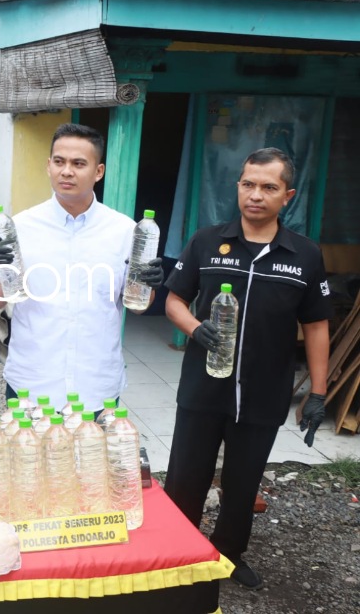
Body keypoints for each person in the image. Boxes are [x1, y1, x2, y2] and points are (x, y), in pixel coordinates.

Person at [163, 147, 331, 590]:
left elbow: (315, 325)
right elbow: (174, 298)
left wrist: (318, 392)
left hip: (263, 393)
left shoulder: (304, 256)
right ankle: (178, 556)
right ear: (238, 187)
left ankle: (228, 554)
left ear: (287, 195)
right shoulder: (206, 241)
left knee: (242, 484)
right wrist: (194, 328)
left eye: (268, 187)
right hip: (203, 389)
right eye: (248, 184)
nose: (256, 195)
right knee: (185, 477)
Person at [0, 123, 164, 414]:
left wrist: (151, 285)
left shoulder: (125, 232)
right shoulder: (20, 228)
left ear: (98, 171)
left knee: (91, 460)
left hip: (96, 387)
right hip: (32, 383)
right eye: (59, 162)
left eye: (79, 163)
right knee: (29, 460)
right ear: (48, 166)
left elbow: (138, 306)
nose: (67, 171)